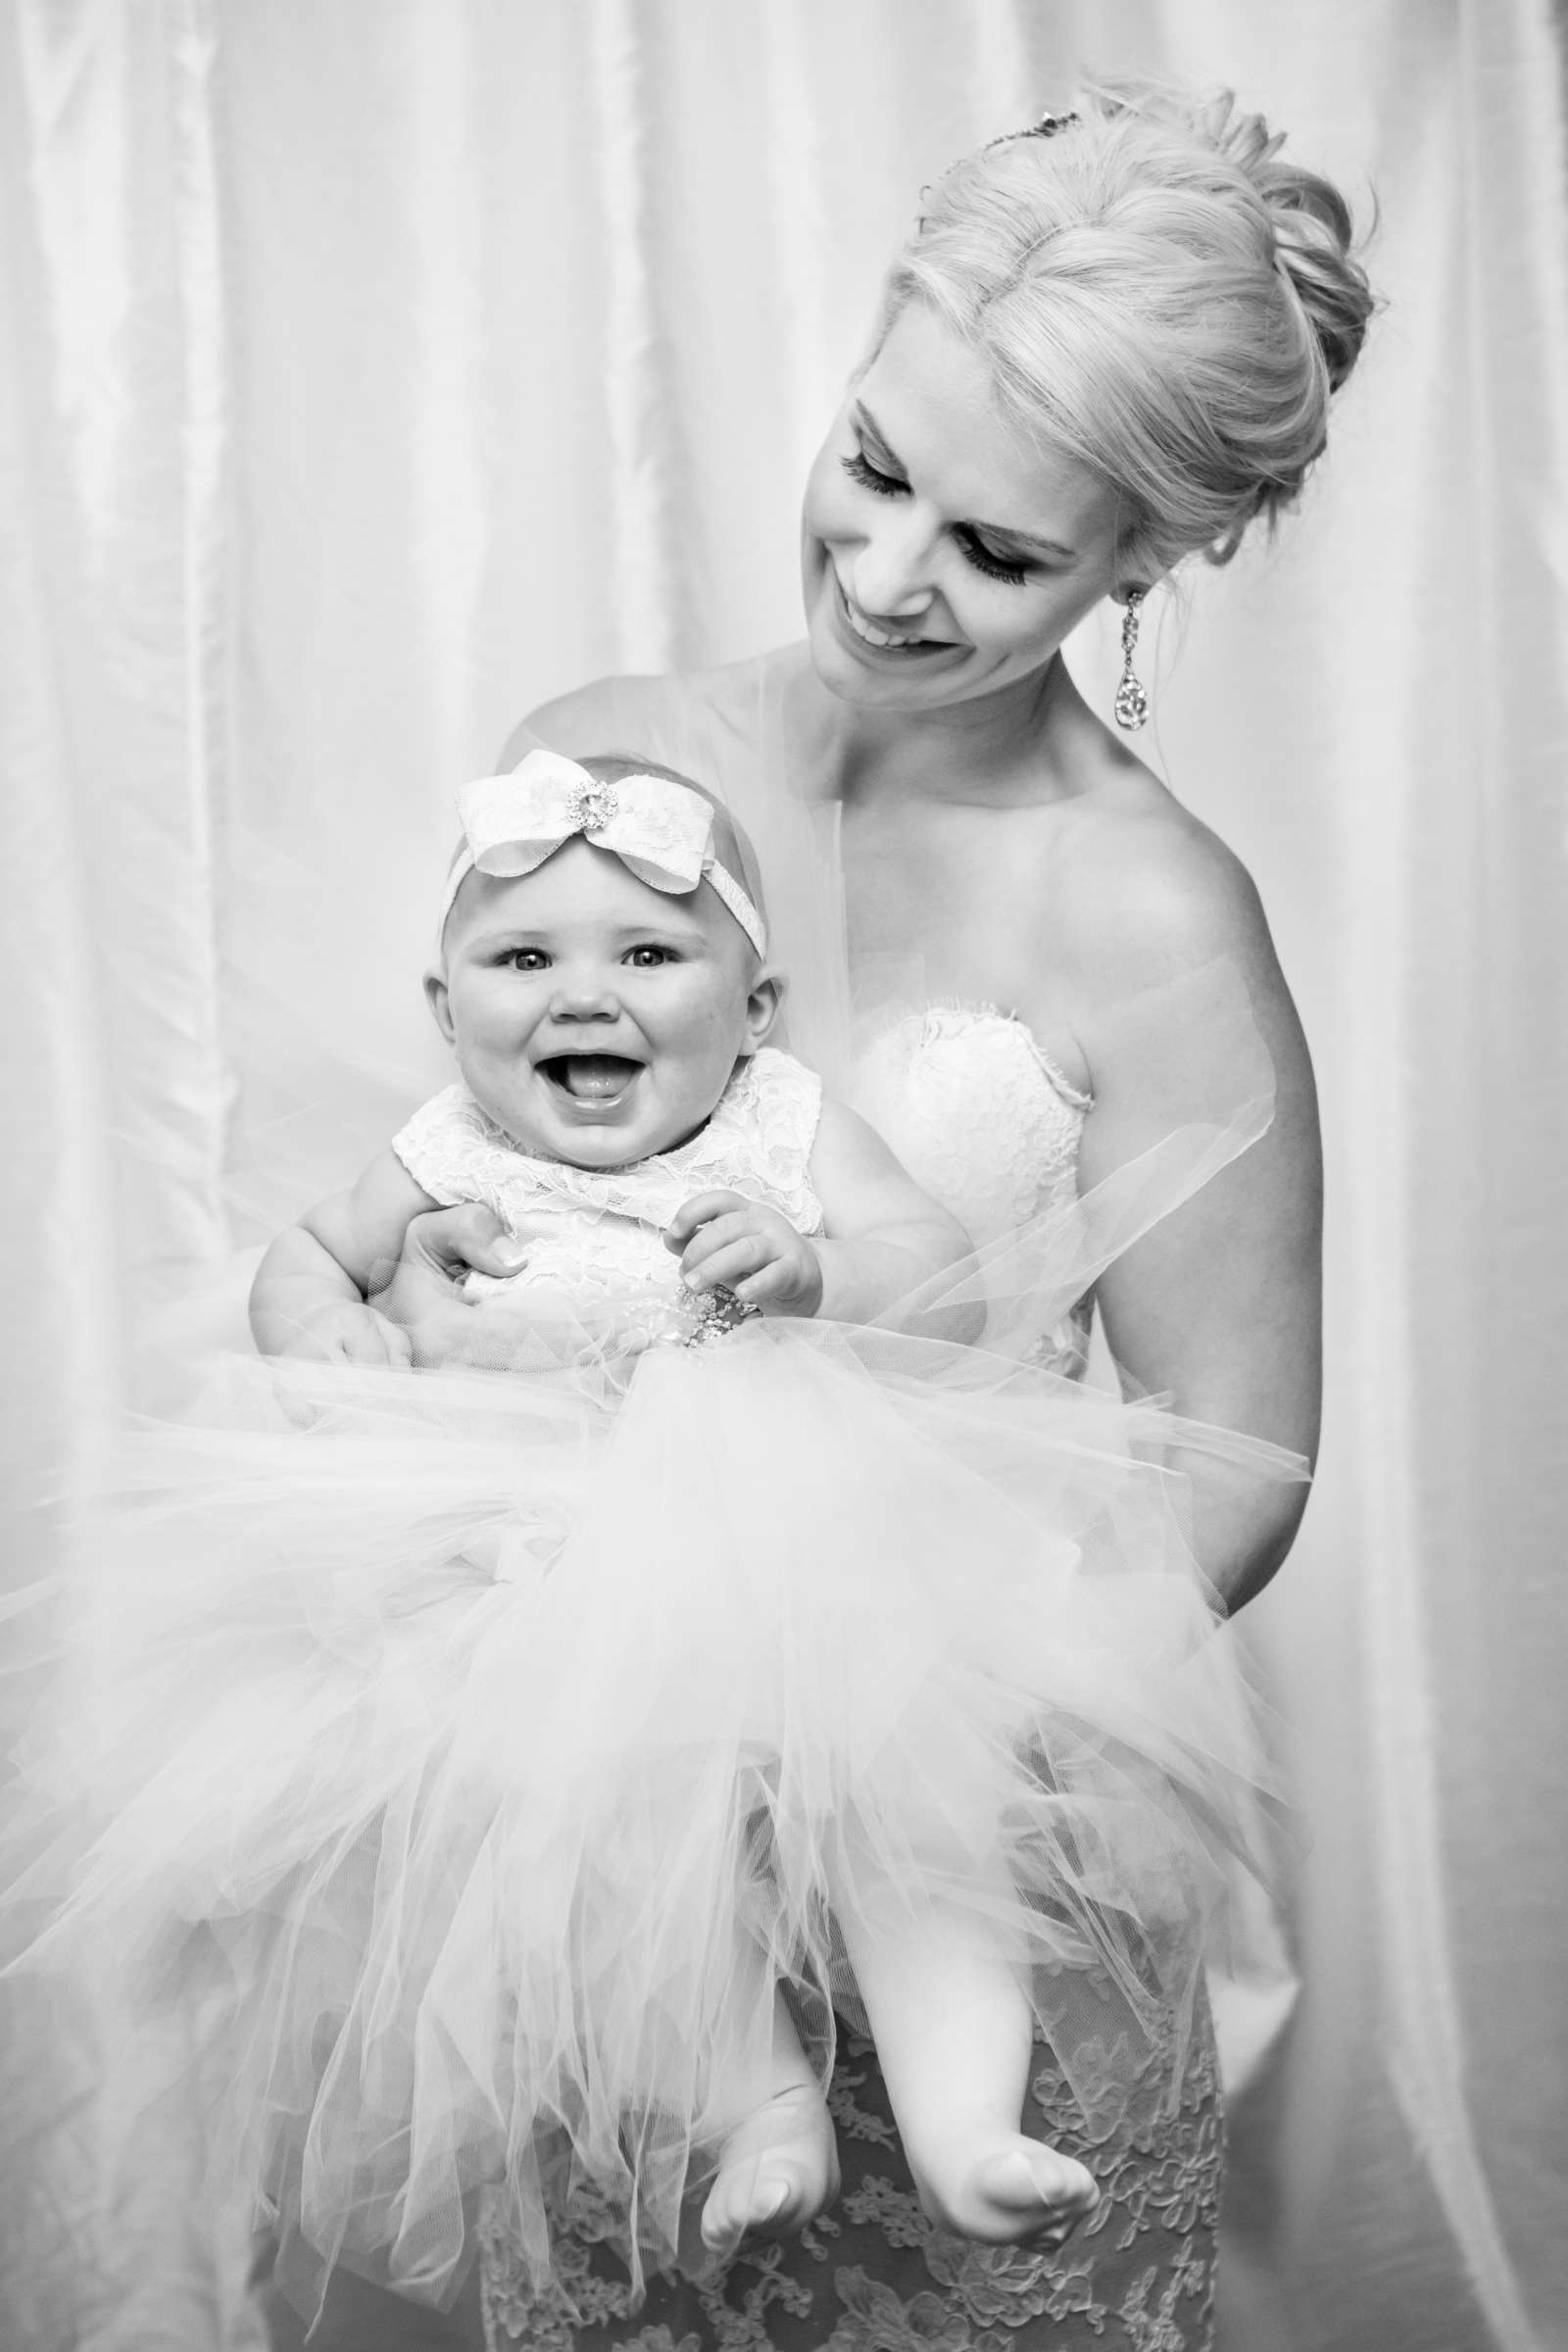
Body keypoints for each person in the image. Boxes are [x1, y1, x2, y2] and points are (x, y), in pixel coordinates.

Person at [383, 76, 1375, 2352]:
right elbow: (484, 1183)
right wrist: (417, 1338)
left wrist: (919, 1716)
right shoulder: (599, 763)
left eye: (1002, 551)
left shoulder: (1149, 911)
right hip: (615, 1867)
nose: (883, 570)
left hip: (976, 1861)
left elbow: (1234, 1451)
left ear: (1145, 565)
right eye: (872, 459)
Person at [5, 741, 1292, 2338]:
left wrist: (819, 1267)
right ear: (445, 1001)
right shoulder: (441, 1157)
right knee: (600, 1852)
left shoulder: (784, 1123)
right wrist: (317, 1332)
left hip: (799, 1542)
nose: (582, 997)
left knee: (917, 1803)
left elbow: (943, 1275)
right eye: (524, 958)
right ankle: (756, 2106)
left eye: (650, 955)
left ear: (753, 1008)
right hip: (534, 1569)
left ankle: (969, 2125)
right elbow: (307, 1258)